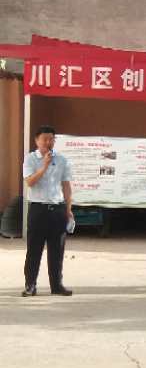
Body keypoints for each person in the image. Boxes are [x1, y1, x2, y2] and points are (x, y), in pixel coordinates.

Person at [21, 126, 74, 297]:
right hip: (38, 209)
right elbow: (30, 182)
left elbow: (66, 185)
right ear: (37, 140)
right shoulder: (30, 159)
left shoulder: (62, 160)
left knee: (57, 250)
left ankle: (57, 285)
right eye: (45, 139)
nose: (48, 142)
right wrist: (43, 166)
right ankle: (30, 285)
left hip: (57, 209)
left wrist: (68, 209)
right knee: (34, 250)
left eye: (51, 139)